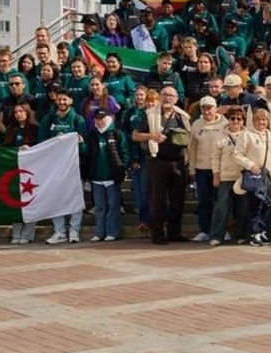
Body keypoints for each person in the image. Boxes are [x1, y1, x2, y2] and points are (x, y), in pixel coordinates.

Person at [132, 86, 190, 245]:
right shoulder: (149, 114)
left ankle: (174, 233)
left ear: (177, 99)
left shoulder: (183, 117)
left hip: (178, 163)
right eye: (164, 94)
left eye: (171, 95)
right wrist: (152, 135)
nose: (168, 98)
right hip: (157, 161)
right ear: (160, 97)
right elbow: (135, 135)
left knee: (177, 199)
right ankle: (157, 234)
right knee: (157, 200)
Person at [38, 90, 87, 244]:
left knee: (76, 199)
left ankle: (74, 231)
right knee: (55, 199)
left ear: (71, 101)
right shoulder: (49, 119)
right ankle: (59, 232)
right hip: (53, 167)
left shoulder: (78, 120)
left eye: (65, 100)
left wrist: (80, 142)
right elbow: (42, 141)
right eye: (59, 100)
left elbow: (85, 146)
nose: (62, 102)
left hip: (73, 166)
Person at [235, 107, 271, 246]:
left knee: (266, 206)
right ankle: (253, 233)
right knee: (255, 207)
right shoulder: (247, 134)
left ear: (268, 121)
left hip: (270, 177)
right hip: (255, 177)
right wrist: (250, 165)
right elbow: (237, 154)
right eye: (258, 119)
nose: (261, 122)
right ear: (253, 121)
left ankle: (261, 232)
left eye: (264, 120)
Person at [0, 103, 40, 245]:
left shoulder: (35, 128)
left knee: (30, 202)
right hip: (15, 170)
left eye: (21, 111)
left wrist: (30, 148)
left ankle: (28, 234)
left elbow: (42, 146)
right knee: (15, 202)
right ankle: (17, 232)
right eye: (16, 112)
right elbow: (6, 148)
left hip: (31, 171)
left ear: (27, 112)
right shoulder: (11, 129)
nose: (18, 114)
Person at [187, 96, 227, 242]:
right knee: (204, 201)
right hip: (201, 168)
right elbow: (191, 149)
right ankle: (204, 230)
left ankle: (222, 230)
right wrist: (191, 169)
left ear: (215, 108)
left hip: (221, 170)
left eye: (210, 107)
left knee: (221, 201)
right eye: (204, 108)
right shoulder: (196, 124)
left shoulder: (225, 123)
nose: (207, 111)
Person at [87, 105, 129, 243]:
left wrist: (122, 168)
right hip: (97, 177)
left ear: (108, 118)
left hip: (112, 177)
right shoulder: (92, 135)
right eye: (97, 119)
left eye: (102, 118)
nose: (99, 121)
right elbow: (87, 154)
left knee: (113, 206)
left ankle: (113, 232)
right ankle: (99, 232)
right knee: (99, 207)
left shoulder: (117, 133)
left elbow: (124, 152)